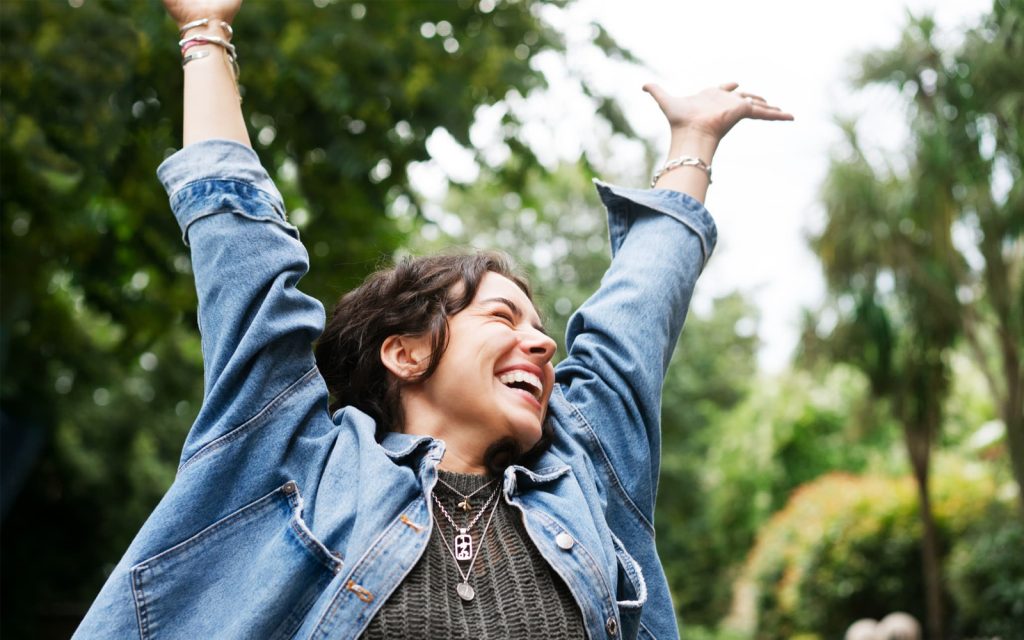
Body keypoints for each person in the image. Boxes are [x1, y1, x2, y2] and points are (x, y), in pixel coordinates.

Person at [73, 1, 792, 638]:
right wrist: (206, 31)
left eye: (539, 328)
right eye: (504, 316)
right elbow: (243, 253)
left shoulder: (583, 472)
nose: (542, 344)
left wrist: (692, 146)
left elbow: (635, 318)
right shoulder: (299, 467)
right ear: (406, 354)